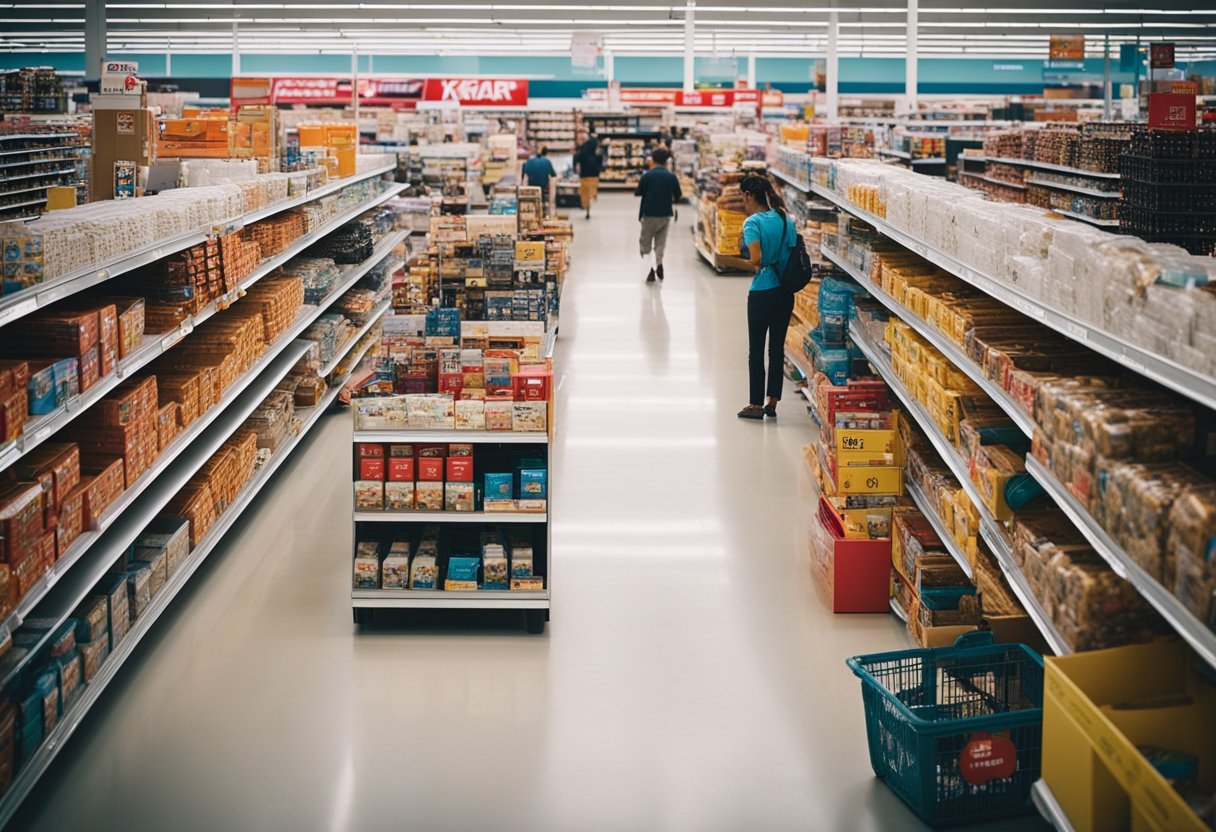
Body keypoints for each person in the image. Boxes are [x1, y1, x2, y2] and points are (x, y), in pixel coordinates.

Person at [735, 174, 797, 421]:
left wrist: (743, 258)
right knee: (776, 348)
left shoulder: (752, 222)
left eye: (743, 197)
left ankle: (754, 403)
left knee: (756, 349)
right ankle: (772, 401)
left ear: (749, 195)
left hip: (762, 291)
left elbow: (756, 258)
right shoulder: (785, 219)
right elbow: (791, 250)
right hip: (785, 291)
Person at [634, 147, 682, 284]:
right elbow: (678, 195)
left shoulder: (647, 176)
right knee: (660, 243)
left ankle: (649, 270)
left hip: (649, 214)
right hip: (665, 214)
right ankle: (659, 264)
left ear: (653, 160)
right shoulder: (671, 176)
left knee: (645, 243)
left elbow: (639, 192)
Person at [572, 132, 602, 220]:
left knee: (584, 193)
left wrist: (575, 167)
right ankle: (590, 203)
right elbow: (600, 160)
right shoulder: (596, 151)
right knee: (591, 191)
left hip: (584, 174)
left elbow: (576, 157)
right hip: (594, 174)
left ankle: (586, 207)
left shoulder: (582, 150)